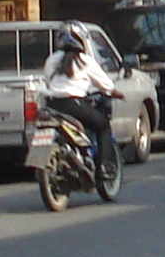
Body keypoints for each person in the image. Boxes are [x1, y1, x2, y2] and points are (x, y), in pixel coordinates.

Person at [40, 26, 120, 182]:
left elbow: (48, 81)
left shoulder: (52, 59)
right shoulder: (85, 60)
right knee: (103, 125)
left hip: (52, 104)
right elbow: (106, 85)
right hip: (73, 104)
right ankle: (103, 167)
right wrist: (116, 92)